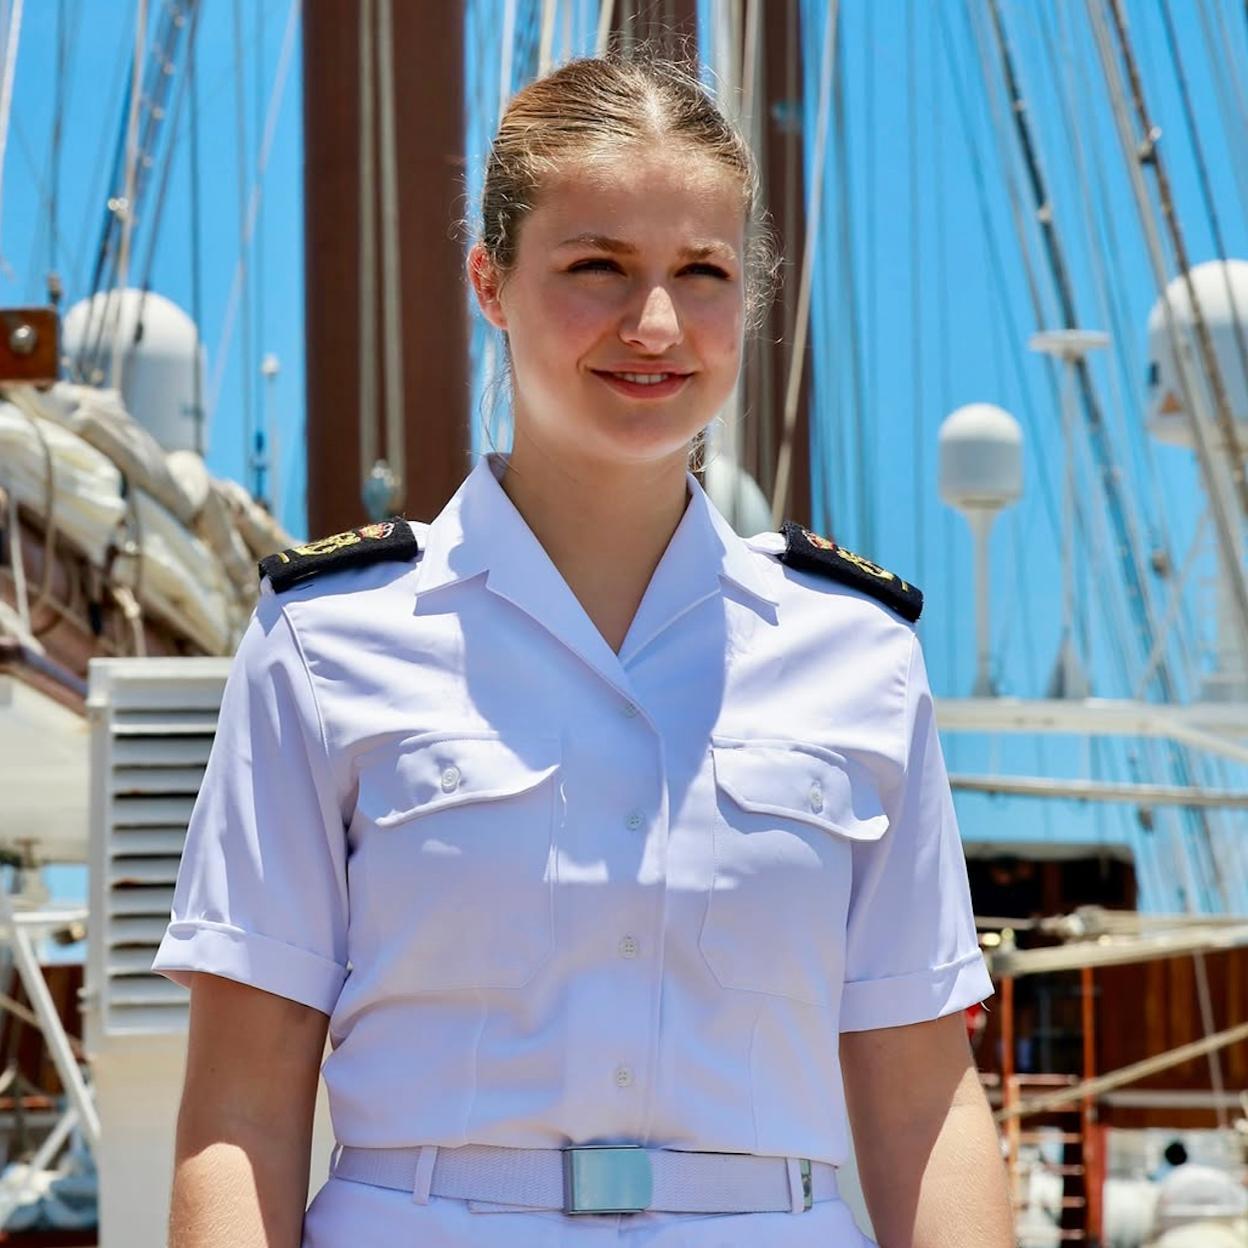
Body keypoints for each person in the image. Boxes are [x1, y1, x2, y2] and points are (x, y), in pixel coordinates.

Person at [153, 52, 1013, 1248]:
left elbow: (923, 1098)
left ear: (746, 300)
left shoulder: (857, 651)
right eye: (596, 265)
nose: (653, 324)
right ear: (489, 281)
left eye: (700, 272)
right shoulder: (326, 637)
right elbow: (242, 1109)